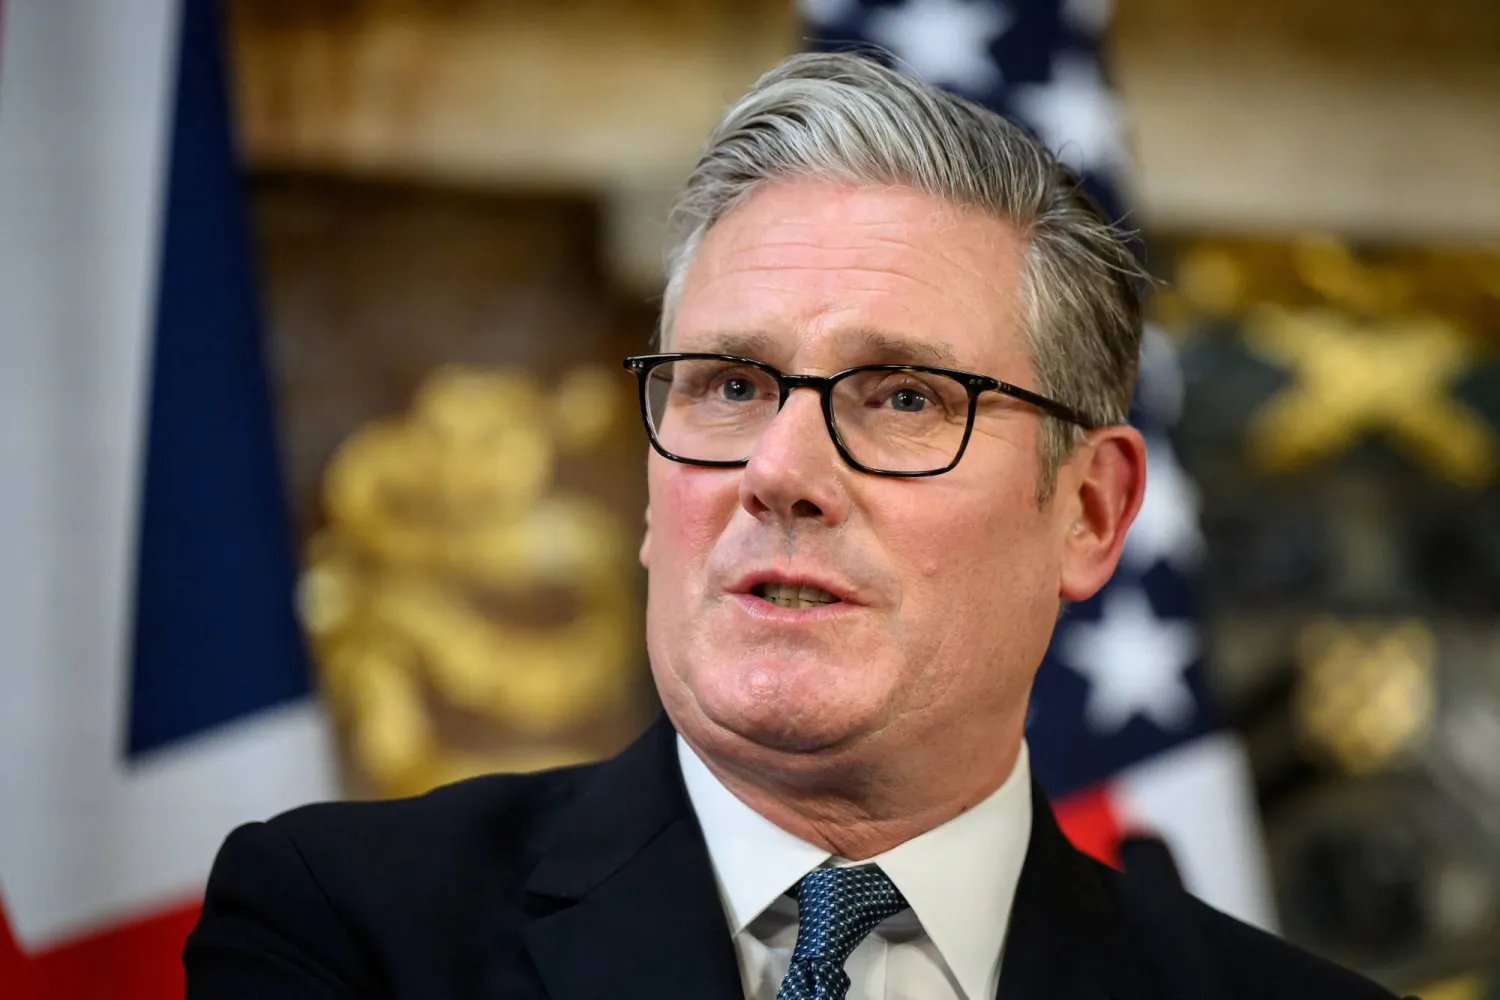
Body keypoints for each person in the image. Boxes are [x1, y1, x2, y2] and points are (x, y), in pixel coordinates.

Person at [184, 52, 1402, 1000]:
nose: (779, 471)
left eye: (907, 397)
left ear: (1089, 512)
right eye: (728, 385)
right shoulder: (346, 928)